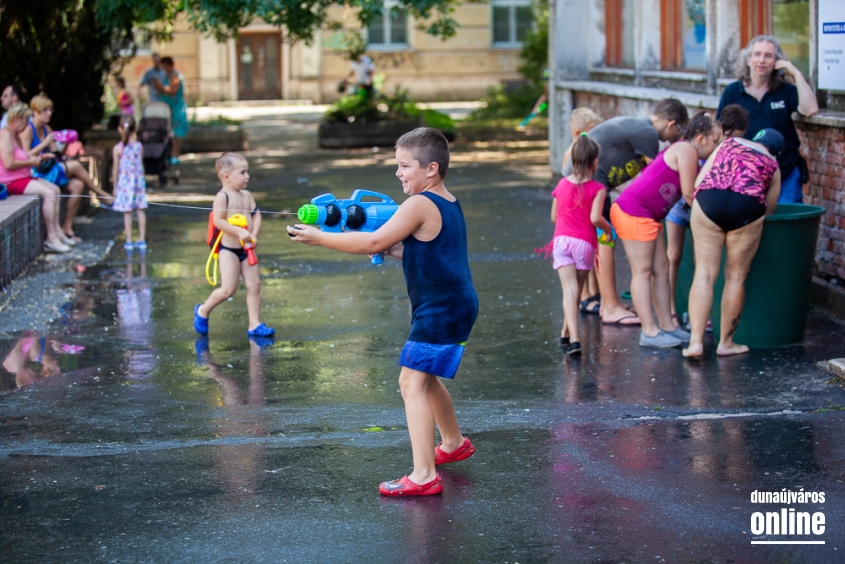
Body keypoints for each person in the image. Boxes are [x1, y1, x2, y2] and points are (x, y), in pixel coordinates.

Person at [288, 127, 478, 496]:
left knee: (410, 383)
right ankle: (453, 444)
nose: (398, 173)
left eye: (405, 166)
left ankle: (423, 476)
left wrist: (319, 237)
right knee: (426, 377)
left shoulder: (418, 204)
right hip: (453, 303)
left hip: (440, 309)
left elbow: (373, 240)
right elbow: (423, 252)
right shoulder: (446, 202)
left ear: (431, 168)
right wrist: (392, 249)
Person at [564, 98, 690, 325]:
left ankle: (607, 302)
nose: (678, 138)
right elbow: (653, 177)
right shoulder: (647, 133)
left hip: (588, 185)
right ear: (672, 124)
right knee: (606, 238)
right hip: (588, 186)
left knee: (599, 241)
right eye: (679, 131)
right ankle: (610, 307)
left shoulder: (639, 128)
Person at [611, 112, 721, 348]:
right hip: (634, 212)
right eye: (715, 141)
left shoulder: (684, 149)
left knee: (661, 269)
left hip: (647, 214)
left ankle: (668, 326)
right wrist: (713, 218)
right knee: (642, 271)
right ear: (700, 139)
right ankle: (649, 332)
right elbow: (690, 193)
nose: (716, 147)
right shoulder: (686, 150)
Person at [683, 128, 783, 358]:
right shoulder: (773, 165)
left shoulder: (729, 143)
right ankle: (726, 343)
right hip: (747, 207)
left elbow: (699, 181)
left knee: (704, 273)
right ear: (776, 152)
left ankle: (695, 343)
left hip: (709, 201)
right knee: (736, 276)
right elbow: (769, 209)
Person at [665, 104, 751, 322]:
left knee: (701, 262)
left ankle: (704, 316)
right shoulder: (707, 139)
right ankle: (670, 311)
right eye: (728, 137)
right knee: (672, 256)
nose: (730, 143)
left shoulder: (730, 150)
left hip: (702, 205)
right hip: (684, 202)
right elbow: (686, 188)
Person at [717, 35, 818, 204]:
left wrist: (795, 72)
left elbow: (810, 109)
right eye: (757, 54)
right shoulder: (732, 92)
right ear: (748, 60)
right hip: (745, 175)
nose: (762, 60)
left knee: (786, 225)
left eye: (768, 56)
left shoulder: (786, 90)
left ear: (776, 62)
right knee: (753, 227)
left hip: (785, 172)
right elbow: (720, 133)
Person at [537, 133, 611, 356]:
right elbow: (595, 219)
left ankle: (567, 334)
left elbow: (553, 217)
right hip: (584, 244)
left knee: (570, 291)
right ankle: (573, 338)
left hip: (561, 241)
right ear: (595, 162)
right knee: (575, 291)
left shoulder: (561, 184)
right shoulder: (598, 189)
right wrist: (608, 230)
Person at [194, 153, 275, 338]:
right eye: (243, 172)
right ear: (226, 177)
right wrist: (239, 231)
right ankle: (203, 311)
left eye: (247, 171)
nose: (247, 176)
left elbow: (256, 215)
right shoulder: (222, 197)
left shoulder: (247, 195)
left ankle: (254, 324)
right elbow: (219, 222)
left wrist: (253, 234)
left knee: (254, 285)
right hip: (228, 250)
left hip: (247, 250)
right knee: (228, 289)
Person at [20, 93, 113, 240]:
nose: (49, 113)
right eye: (45, 110)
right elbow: (24, 155)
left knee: (78, 184)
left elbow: (56, 153)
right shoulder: (28, 130)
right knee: (75, 165)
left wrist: (65, 142)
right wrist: (44, 143)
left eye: (50, 110)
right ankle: (99, 193)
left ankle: (67, 228)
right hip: (35, 172)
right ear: (35, 111)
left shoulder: (47, 129)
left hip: (49, 169)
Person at [0, 103, 72, 252]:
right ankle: (51, 238)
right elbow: (8, 163)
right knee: (49, 193)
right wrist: (31, 162)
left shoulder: (16, 135)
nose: (27, 125)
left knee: (55, 189)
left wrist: (40, 157)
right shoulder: (5, 134)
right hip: (11, 181)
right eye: (26, 121)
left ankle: (58, 231)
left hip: (24, 176)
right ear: (17, 119)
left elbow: (24, 155)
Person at [561, 108, 604, 314]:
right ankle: (585, 295)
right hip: (578, 214)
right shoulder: (573, 155)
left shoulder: (579, 151)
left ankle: (594, 291)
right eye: (591, 133)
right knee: (580, 261)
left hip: (585, 209)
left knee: (589, 255)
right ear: (579, 133)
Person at [111, 116, 147, 250]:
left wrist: (115, 187)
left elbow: (115, 170)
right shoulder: (139, 146)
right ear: (135, 129)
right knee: (140, 210)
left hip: (125, 184)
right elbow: (141, 165)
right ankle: (142, 239)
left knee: (127, 212)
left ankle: (129, 241)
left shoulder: (117, 148)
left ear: (120, 129)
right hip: (138, 183)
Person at [151, 57, 189, 164]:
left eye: (165, 66)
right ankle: (169, 154)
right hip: (167, 108)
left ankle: (175, 155)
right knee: (169, 132)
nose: (164, 68)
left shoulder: (176, 76)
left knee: (178, 132)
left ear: (171, 65)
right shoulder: (165, 77)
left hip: (177, 108)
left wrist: (161, 87)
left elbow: (172, 91)